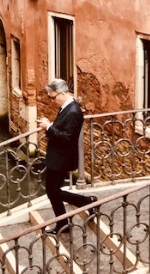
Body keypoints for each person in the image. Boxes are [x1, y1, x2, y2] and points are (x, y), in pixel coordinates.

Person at [38, 78, 97, 234]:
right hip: (58, 157)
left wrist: (49, 127)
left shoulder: (73, 111)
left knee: (53, 191)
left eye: (53, 97)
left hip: (61, 158)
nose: (51, 100)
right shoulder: (66, 107)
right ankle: (64, 222)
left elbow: (67, 138)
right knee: (53, 190)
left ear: (62, 93)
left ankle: (86, 202)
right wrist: (50, 125)